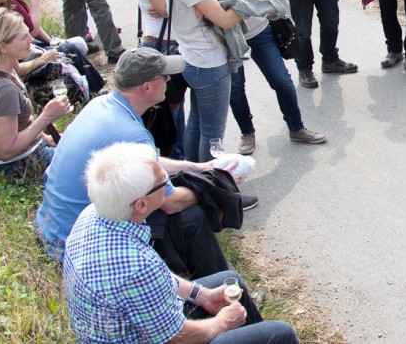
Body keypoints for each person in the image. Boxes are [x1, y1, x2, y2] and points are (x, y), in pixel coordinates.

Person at [36, 47, 246, 275]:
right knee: (190, 217)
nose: (169, 80)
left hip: (53, 229)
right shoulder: (134, 134)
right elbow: (170, 202)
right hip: (77, 249)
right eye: (165, 76)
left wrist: (199, 168)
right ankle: (222, 291)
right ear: (147, 87)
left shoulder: (101, 105)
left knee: (176, 195)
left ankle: (215, 280)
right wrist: (218, 185)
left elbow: (148, 162)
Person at [63, 142, 299, 344]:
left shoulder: (94, 215)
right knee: (281, 333)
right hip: (164, 337)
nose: (168, 182)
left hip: (132, 328)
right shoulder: (138, 268)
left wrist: (202, 295)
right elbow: (176, 337)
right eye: (161, 181)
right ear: (141, 205)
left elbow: (154, 279)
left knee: (231, 283)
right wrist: (220, 324)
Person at [199, 0, 326, 151]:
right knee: (235, 88)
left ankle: (296, 127)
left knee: (282, 80)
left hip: (259, 28)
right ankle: (247, 133)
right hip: (228, 36)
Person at [162, 0, 245, 163]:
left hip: (193, 59)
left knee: (197, 126)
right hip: (208, 62)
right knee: (213, 134)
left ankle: (196, 181)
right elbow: (224, 19)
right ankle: (213, 193)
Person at [0, 9, 72, 177]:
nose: (31, 39)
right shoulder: (2, 90)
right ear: (2, 46)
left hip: (12, 155)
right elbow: (5, 151)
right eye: (23, 37)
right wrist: (46, 117)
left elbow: (18, 123)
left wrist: (44, 137)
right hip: (18, 164)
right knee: (90, 155)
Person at [127, 0, 189, 159]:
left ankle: (182, 154)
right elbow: (165, 9)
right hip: (161, 44)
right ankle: (174, 158)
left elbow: (170, 3)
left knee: (178, 103)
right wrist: (174, 0)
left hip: (174, 39)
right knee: (170, 105)